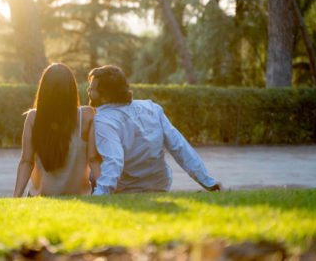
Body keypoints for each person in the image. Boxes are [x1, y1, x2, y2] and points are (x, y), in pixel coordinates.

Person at [87, 65, 221, 195]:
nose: (88, 91)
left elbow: (114, 160)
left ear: (105, 96)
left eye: (92, 89)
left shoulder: (104, 120)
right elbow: (179, 146)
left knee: (92, 173)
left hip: (127, 189)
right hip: (160, 185)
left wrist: (101, 194)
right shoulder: (152, 108)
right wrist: (208, 182)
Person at [13, 63, 100, 197]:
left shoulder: (33, 117)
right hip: (80, 198)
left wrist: (16, 197)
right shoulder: (87, 115)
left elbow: (26, 162)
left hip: (39, 198)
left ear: (43, 90)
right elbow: (93, 159)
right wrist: (108, 192)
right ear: (71, 89)